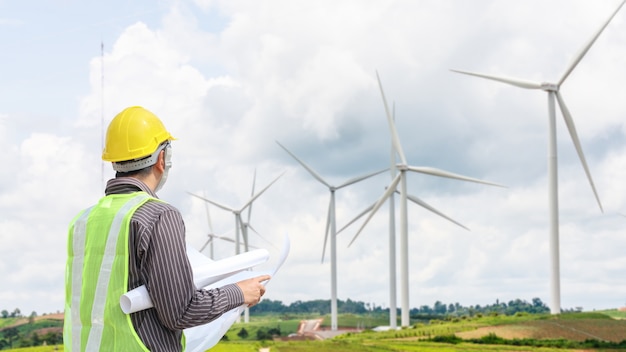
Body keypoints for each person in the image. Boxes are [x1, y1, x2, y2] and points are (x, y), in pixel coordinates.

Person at [64, 106, 270, 351]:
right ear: (162, 159)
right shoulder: (158, 215)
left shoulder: (82, 221)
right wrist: (239, 292)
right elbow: (181, 311)